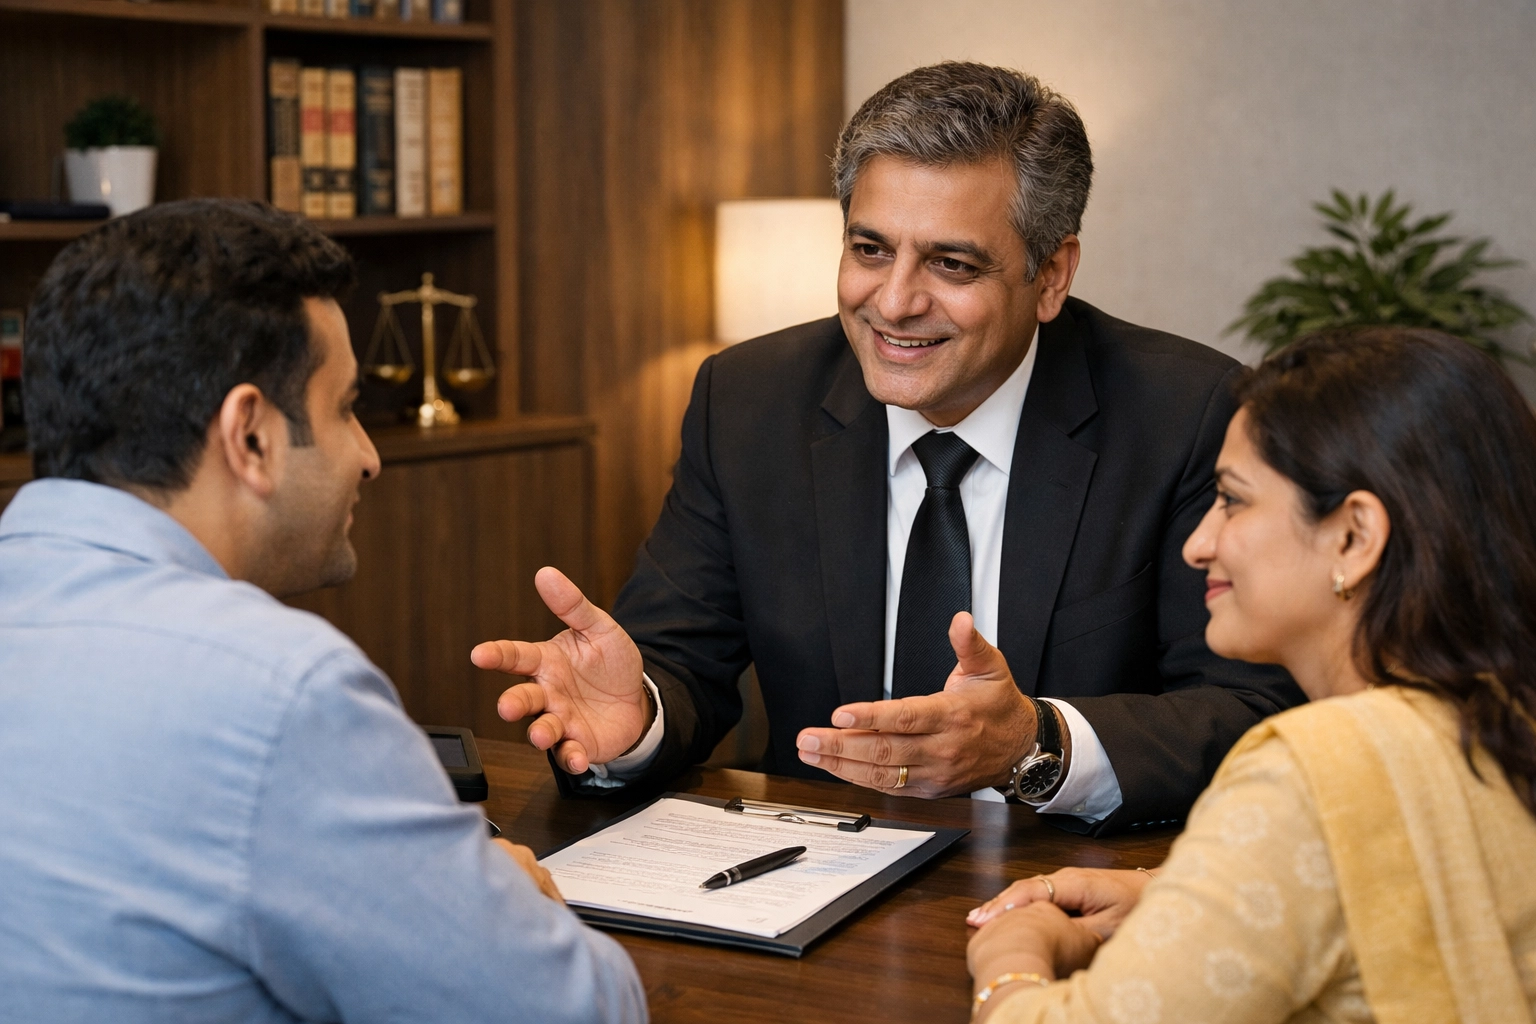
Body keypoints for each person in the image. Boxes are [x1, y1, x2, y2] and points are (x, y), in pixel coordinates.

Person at [472, 61, 1300, 835]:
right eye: (869, 250)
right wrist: (638, 721)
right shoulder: (751, 402)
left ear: (1050, 277)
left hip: (1068, 889)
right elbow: (679, 658)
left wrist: (1035, 744)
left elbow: (1252, 709)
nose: (895, 302)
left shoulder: (1187, 413)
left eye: (952, 263)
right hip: (806, 888)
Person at [0, 200, 646, 1023]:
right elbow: (580, 1012)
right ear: (252, 436)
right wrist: (515, 903)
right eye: (345, 408)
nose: (369, 458)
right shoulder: (279, 695)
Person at [963, 327, 1536, 1022]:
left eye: (1232, 500)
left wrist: (1010, 956)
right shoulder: (1500, 715)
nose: (1199, 545)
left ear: (1354, 537)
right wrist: (1178, 890)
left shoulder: (1310, 774)